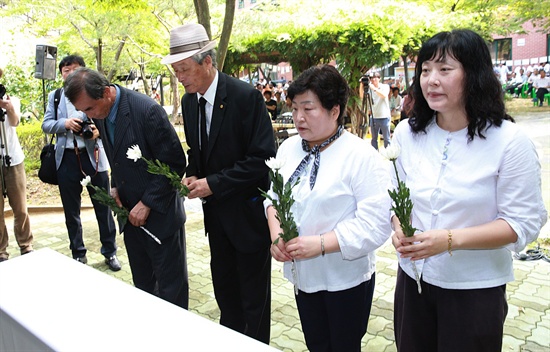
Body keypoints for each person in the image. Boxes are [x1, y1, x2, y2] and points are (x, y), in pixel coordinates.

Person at [390, 29, 547, 352]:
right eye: (425, 70)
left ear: (473, 75)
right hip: (413, 282)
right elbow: (393, 194)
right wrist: (398, 230)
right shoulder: (408, 132)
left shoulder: (508, 141)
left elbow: (522, 223)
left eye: (445, 70)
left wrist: (449, 240)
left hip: (474, 290)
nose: (431, 80)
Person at [161, 23, 276, 342]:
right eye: (175, 70)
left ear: (207, 62)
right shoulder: (188, 102)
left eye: (184, 69)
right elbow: (199, 151)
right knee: (226, 298)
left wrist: (213, 183)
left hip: (248, 220)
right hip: (217, 222)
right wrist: (192, 174)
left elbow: (263, 159)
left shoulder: (245, 97)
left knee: (254, 304)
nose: (179, 77)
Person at [266, 64, 392, 351]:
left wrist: (320, 244)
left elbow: (375, 223)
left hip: (344, 279)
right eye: (295, 108)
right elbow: (273, 197)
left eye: (308, 109)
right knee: (316, 344)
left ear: (335, 110)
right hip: (304, 275)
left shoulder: (360, 156)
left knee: (344, 346)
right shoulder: (288, 149)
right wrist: (276, 235)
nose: (299, 118)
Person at [64, 67, 189, 309]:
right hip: (130, 219)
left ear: (107, 92)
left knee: (171, 291)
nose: (87, 116)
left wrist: (148, 203)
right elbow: (118, 158)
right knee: (143, 288)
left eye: (89, 108)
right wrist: (114, 188)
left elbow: (174, 162)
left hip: (161, 217)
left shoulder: (146, 111)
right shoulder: (100, 112)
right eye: (82, 110)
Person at [42, 55, 120, 270]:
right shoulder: (56, 96)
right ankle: (78, 253)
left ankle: (110, 251)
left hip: (93, 157)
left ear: (84, 72)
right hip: (66, 159)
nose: (70, 74)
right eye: (66, 70)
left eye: (74, 69)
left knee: (103, 206)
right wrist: (65, 123)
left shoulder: (96, 92)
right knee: (71, 211)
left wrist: (97, 132)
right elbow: (46, 124)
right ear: (61, 74)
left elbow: (108, 121)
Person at [0, 67, 33, 262]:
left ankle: (26, 245)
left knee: (20, 207)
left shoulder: (12, 100)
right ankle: (1, 251)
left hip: (12, 158)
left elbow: (14, 122)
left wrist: (9, 107)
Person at [366, 72, 391, 150]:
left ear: (379, 78)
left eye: (375, 77)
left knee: (386, 139)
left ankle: (389, 156)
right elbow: (361, 96)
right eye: (372, 78)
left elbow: (383, 95)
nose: (374, 79)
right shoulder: (369, 89)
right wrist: (362, 84)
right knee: (374, 139)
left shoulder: (385, 87)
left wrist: (374, 89)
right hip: (374, 117)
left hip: (384, 117)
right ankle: (375, 155)